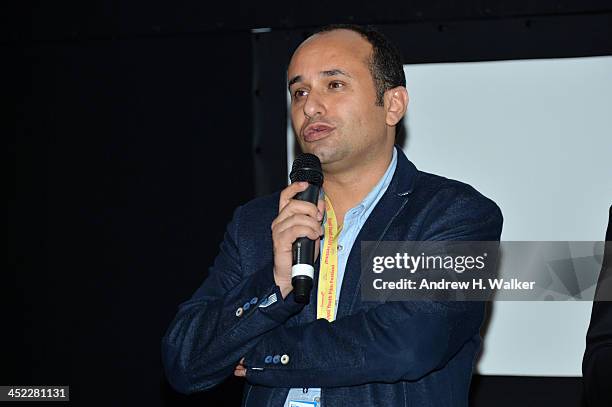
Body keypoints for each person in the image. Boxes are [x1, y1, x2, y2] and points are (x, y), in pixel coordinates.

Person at [162, 24, 503, 406]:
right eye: (299, 92)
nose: (310, 106)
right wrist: (274, 283)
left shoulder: (451, 214)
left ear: (393, 105)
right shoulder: (257, 223)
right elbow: (184, 360)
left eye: (334, 85)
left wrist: (258, 354)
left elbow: (406, 343)